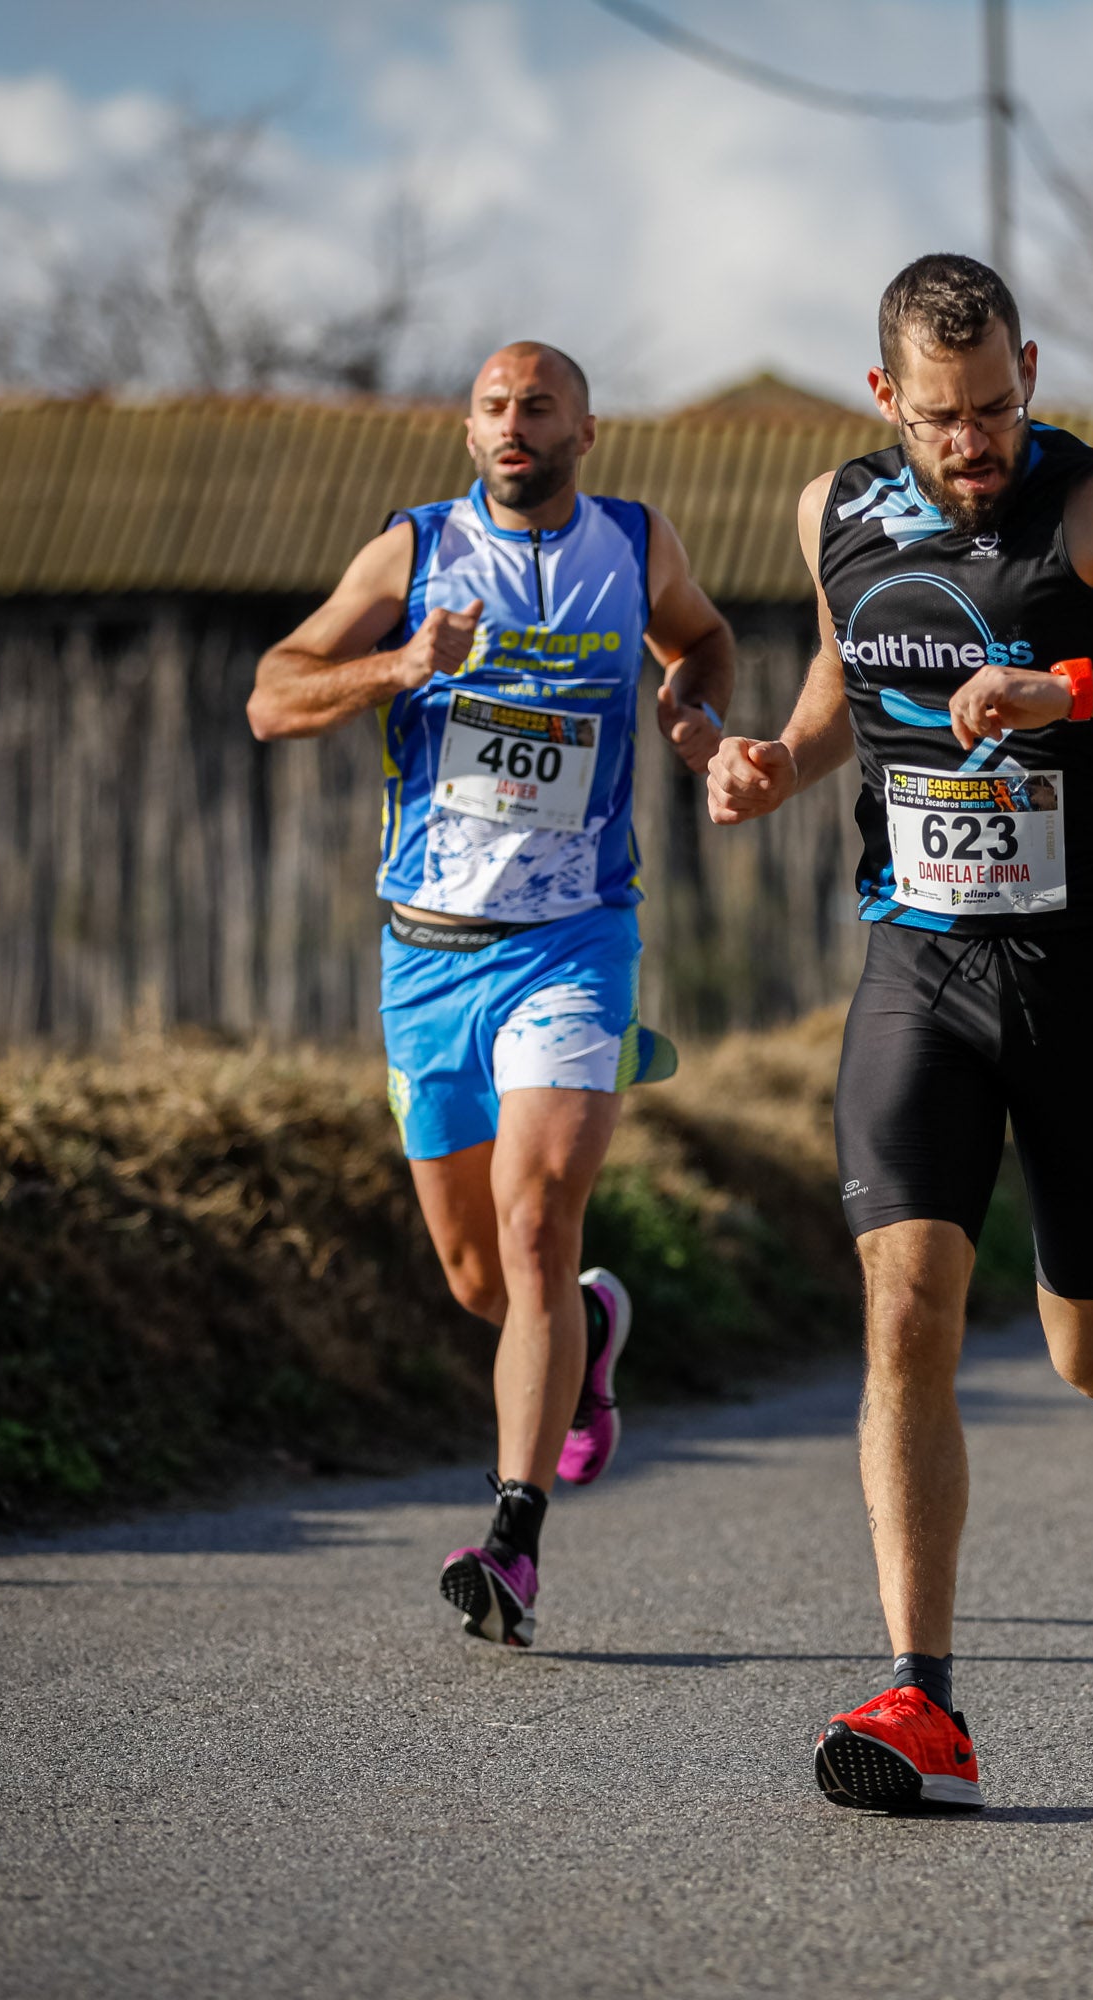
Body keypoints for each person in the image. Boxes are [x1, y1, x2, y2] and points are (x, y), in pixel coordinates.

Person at [702, 254, 1093, 1815]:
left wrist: (1078, 692)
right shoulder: (832, 509)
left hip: (1082, 971)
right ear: (883, 394)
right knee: (906, 1303)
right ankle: (925, 1697)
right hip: (918, 962)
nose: (974, 442)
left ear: (1028, 371)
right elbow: (843, 671)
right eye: (942, 416)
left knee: (1091, 1357)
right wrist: (779, 760)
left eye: (994, 407)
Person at [248, 342, 734, 1647]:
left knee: (534, 1223)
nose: (516, 423)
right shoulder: (411, 552)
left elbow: (703, 638)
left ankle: (511, 1537)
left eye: (540, 406)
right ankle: (592, 1327)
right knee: (482, 1279)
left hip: (575, 940)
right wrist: (403, 663)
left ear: (587, 429)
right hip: (427, 953)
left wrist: (690, 712)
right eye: (495, 407)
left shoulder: (634, 541)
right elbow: (273, 695)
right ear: (468, 432)